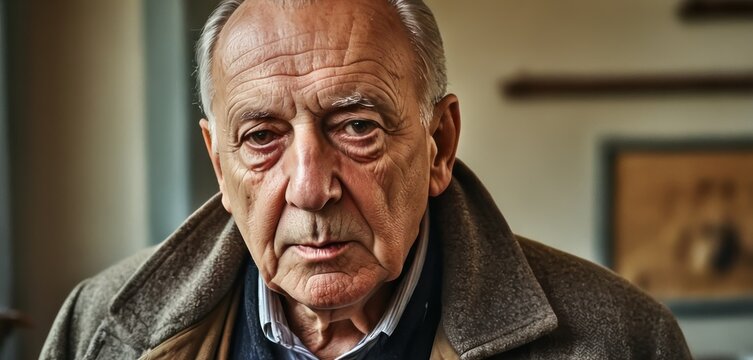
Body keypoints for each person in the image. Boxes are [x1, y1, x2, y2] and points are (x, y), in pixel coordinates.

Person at [40, 0, 691, 359]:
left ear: (438, 144)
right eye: (261, 137)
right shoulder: (97, 329)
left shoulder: (620, 339)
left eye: (356, 127)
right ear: (219, 163)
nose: (308, 188)